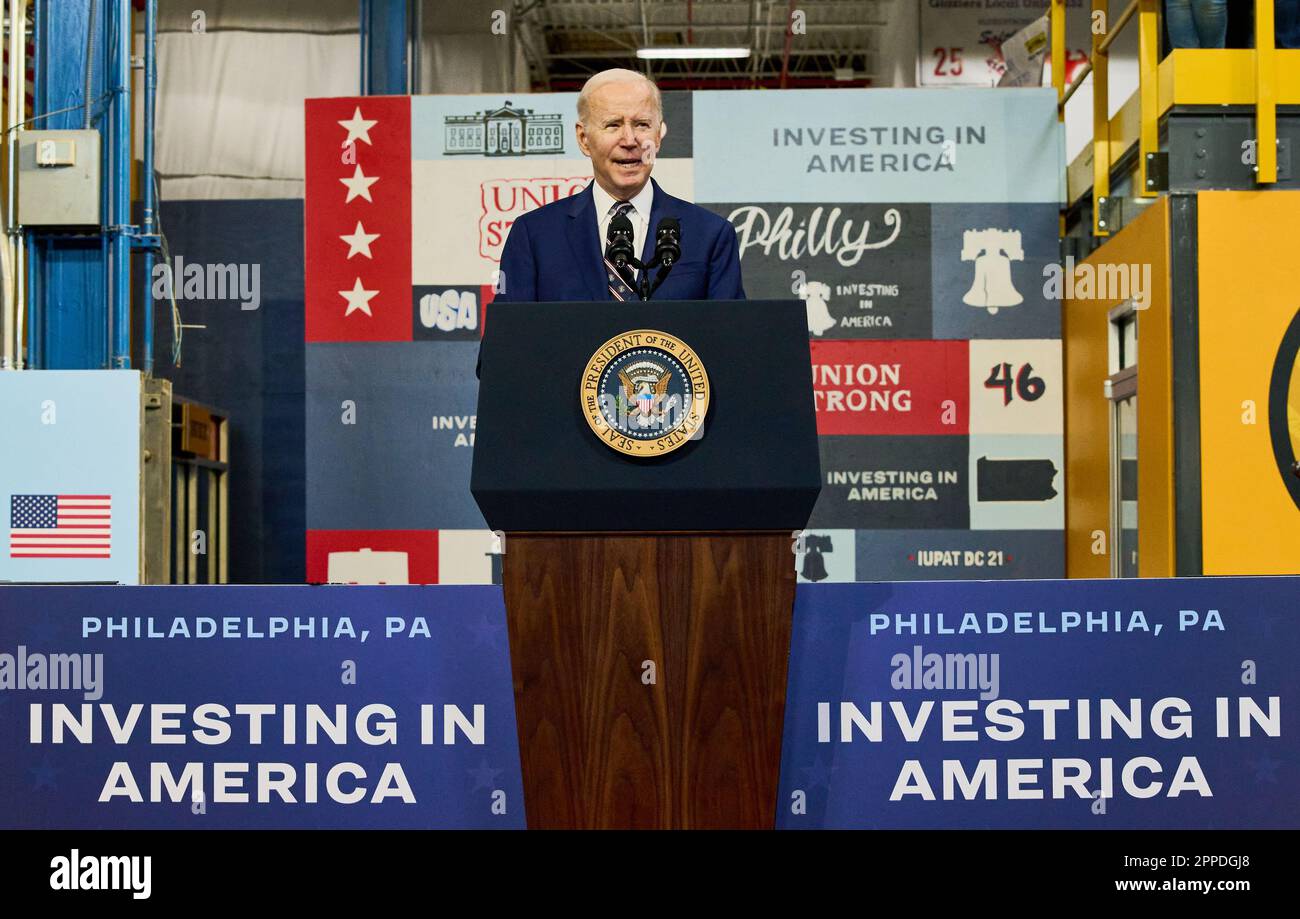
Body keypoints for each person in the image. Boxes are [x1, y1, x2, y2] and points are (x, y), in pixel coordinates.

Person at [491, 69, 745, 304]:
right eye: (613, 124)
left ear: (658, 136)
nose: (630, 140)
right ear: (583, 138)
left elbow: (731, 343)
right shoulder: (534, 235)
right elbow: (508, 345)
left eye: (642, 124)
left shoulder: (711, 235)